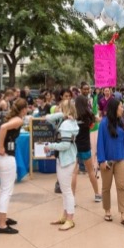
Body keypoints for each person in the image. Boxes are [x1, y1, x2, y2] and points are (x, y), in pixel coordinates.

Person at [45, 99, 80, 231]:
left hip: (66, 160)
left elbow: (65, 145)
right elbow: (48, 118)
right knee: (65, 191)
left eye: (60, 108)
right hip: (66, 159)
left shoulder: (66, 125)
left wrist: (50, 146)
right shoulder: (69, 122)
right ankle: (65, 216)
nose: (58, 109)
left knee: (66, 191)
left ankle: (70, 219)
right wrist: (62, 115)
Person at [0, 98, 28, 234]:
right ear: (24, 109)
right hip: (6, 156)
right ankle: (2, 224)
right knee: (7, 190)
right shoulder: (18, 120)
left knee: (3, 189)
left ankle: (3, 218)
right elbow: (3, 128)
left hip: (1, 157)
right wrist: (1, 146)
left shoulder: (9, 117)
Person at [97, 99, 124, 226]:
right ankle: (107, 211)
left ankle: (123, 214)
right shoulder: (103, 123)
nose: (122, 109)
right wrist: (101, 160)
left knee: (121, 187)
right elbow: (100, 142)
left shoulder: (121, 122)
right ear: (114, 108)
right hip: (107, 161)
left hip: (121, 159)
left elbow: (123, 142)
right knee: (106, 188)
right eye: (121, 107)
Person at [72, 95, 101, 202]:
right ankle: (97, 195)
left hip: (74, 147)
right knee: (91, 171)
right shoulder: (89, 116)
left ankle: (72, 198)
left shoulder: (73, 116)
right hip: (85, 147)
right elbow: (98, 120)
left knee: (74, 172)